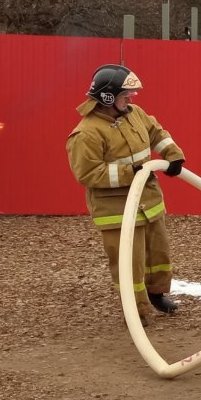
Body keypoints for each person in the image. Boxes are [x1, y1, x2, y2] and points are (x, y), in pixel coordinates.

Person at [65, 64, 185, 325]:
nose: (130, 99)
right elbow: (87, 173)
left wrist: (172, 154)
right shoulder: (87, 132)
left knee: (158, 254)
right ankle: (136, 310)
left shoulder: (134, 114)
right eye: (125, 94)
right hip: (116, 210)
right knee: (130, 262)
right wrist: (132, 172)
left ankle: (156, 294)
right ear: (108, 97)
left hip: (148, 200)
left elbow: (156, 133)